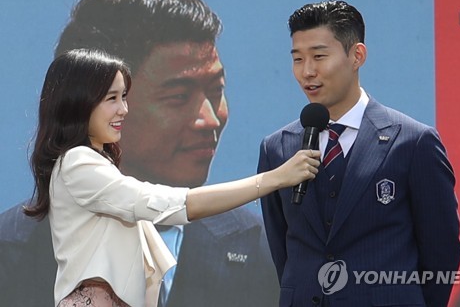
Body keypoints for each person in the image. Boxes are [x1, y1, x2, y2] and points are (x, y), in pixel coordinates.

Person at [0, 0, 279, 306]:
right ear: (86, 104)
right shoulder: (10, 250)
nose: (210, 120)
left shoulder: (261, 249)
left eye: (216, 90)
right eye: (178, 97)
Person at [24, 48, 320, 307]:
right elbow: (172, 203)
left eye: (124, 97)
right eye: (111, 99)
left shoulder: (93, 164)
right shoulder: (78, 162)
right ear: (79, 103)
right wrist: (273, 179)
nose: (124, 109)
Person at [258, 0, 460, 307]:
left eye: (319, 56)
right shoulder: (278, 147)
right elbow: (282, 249)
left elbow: (442, 249)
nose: (307, 71)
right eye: (298, 59)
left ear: (357, 56)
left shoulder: (412, 142)